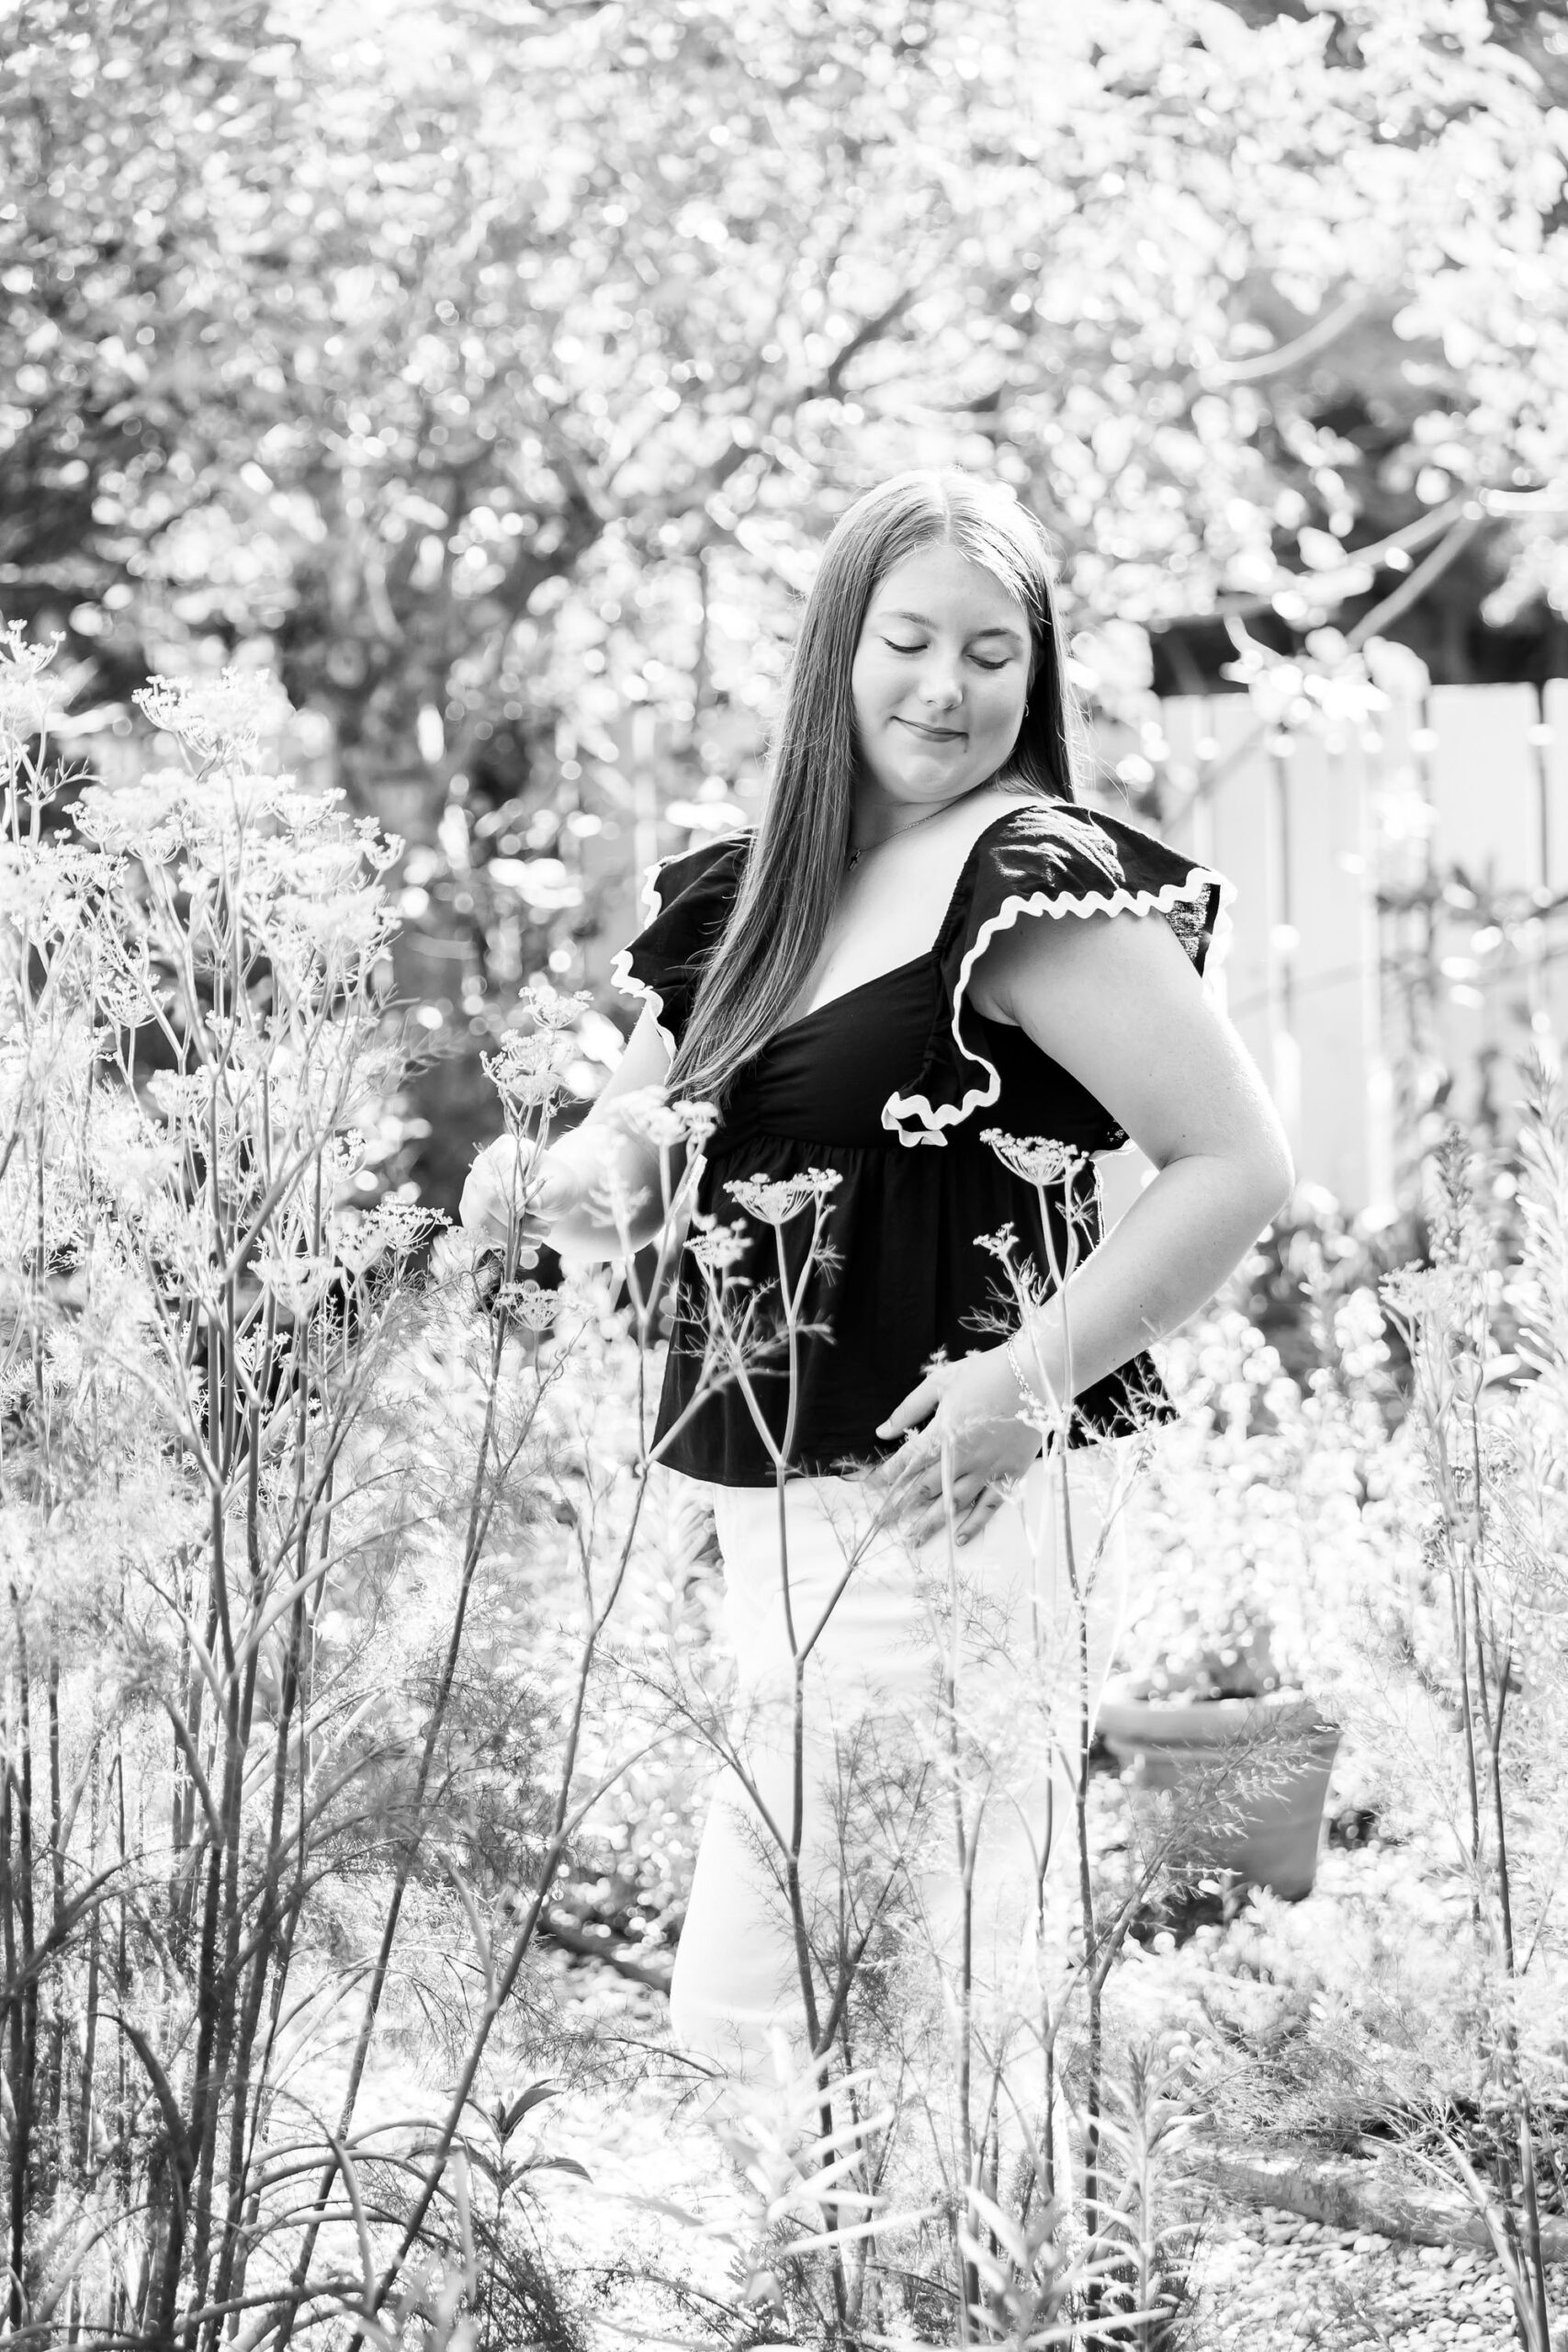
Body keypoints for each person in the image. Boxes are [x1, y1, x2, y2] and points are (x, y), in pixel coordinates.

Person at [460, 470, 1292, 2150]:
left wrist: (1020, 1387)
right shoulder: (750, 893)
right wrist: (546, 1184)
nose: (950, 687)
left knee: (918, 1965)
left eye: (996, 653)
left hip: (958, 1492)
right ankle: (855, 2295)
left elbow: (1234, 1164)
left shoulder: (1030, 877)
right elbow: (648, 1150)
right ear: (837, 652)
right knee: (797, 1977)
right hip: (778, 1491)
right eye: (908, 641)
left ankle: (967, 2297)